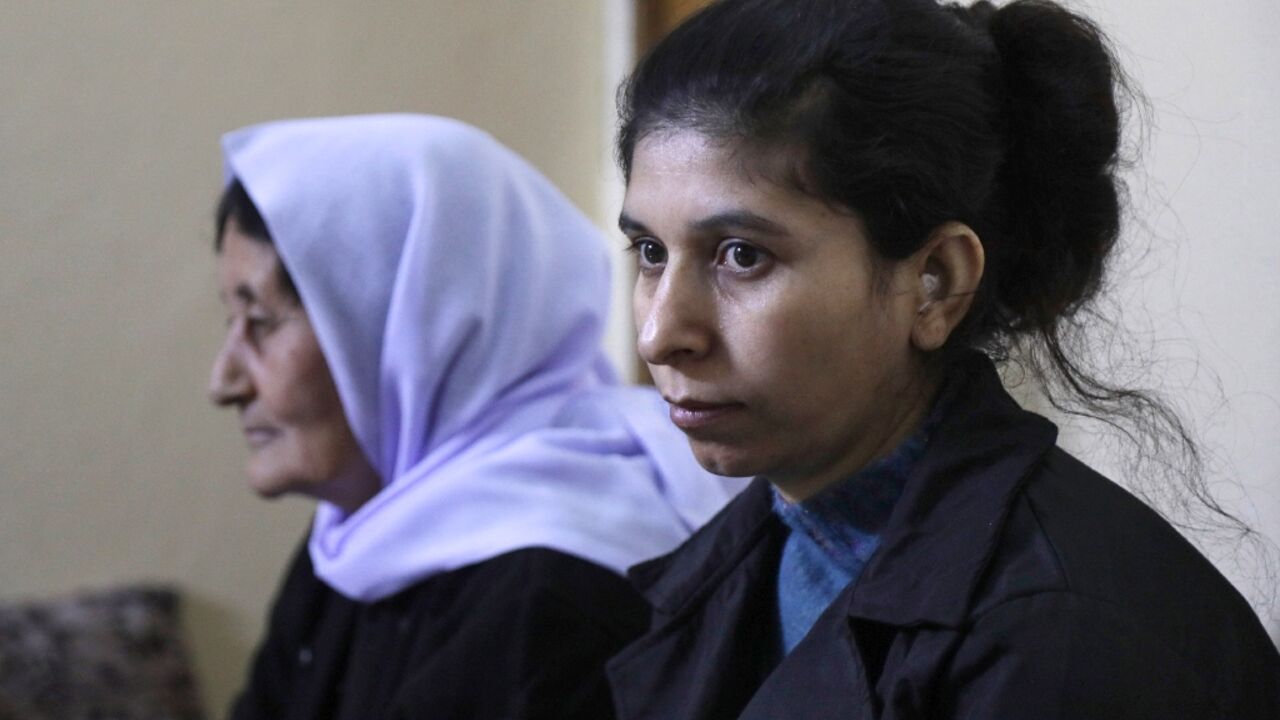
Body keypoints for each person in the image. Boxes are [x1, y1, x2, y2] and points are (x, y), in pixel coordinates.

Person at [604, 0, 1280, 717]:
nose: (660, 336)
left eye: (743, 256)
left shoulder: (1064, 639)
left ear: (935, 282)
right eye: (650, 252)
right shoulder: (736, 565)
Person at [207, 113, 739, 719]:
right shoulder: (359, 536)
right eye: (231, 320)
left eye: (262, 321)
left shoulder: (550, 598)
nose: (224, 382)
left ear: (409, 328)